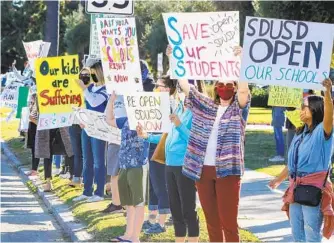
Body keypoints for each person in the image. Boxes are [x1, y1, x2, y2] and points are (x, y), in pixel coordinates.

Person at [177, 46, 250, 242]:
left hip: (228, 171)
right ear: (215, 87)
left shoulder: (238, 109)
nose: (224, 87)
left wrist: (243, 60)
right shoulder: (206, 105)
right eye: (220, 84)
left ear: (234, 87)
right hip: (202, 171)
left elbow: (244, 90)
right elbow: (185, 85)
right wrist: (174, 57)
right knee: (212, 221)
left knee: (229, 222)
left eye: (229, 84)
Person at [137, 77, 207, 242]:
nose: (182, 93)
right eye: (181, 89)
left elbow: (195, 140)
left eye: (185, 89)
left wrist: (179, 125)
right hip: (170, 164)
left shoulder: (198, 113)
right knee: (175, 209)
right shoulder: (181, 109)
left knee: (188, 209)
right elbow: (167, 136)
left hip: (185, 164)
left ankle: (193, 240)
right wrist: (146, 136)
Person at [279, 79, 334, 242]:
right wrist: (278, 179)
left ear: (316, 110)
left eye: (304, 107)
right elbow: (292, 163)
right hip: (296, 188)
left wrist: (327, 93)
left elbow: (329, 114)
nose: (300, 110)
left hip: (313, 188)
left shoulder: (323, 132)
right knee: (296, 232)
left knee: (311, 234)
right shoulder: (299, 133)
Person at [73, 61, 108, 203]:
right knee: (87, 159)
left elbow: (94, 103)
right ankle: (87, 191)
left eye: (93, 73)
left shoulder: (106, 90)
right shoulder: (91, 88)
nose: (90, 76)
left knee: (98, 161)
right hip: (87, 127)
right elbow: (86, 105)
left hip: (99, 129)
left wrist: (84, 89)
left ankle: (99, 192)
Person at [31, 96, 74, 191]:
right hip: (47, 129)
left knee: (70, 151)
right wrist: (42, 123)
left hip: (62, 127)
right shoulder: (41, 94)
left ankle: (73, 178)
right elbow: (32, 115)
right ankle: (48, 182)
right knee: (48, 154)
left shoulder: (61, 92)